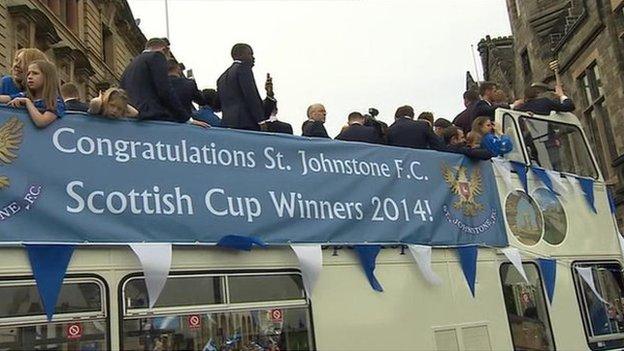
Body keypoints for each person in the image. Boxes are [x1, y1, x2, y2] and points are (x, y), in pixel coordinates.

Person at [120, 38, 205, 126]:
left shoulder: (130, 66)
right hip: (152, 116)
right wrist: (186, 119)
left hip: (132, 117)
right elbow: (165, 90)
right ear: (164, 50)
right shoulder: (157, 56)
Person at [217, 43, 276, 131]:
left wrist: (269, 94)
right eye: (250, 54)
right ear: (239, 55)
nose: (253, 58)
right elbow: (251, 96)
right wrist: (261, 121)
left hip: (227, 124)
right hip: (246, 124)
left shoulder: (221, 78)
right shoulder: (243, 68)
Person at [7, 60, 65, 128]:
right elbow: (6, 98)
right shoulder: (26, 95)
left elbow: (41, 122)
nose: (29, 77)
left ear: (47, 77)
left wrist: (27, 102)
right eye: (28, 73)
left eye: (35, 73)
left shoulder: (56, 102)